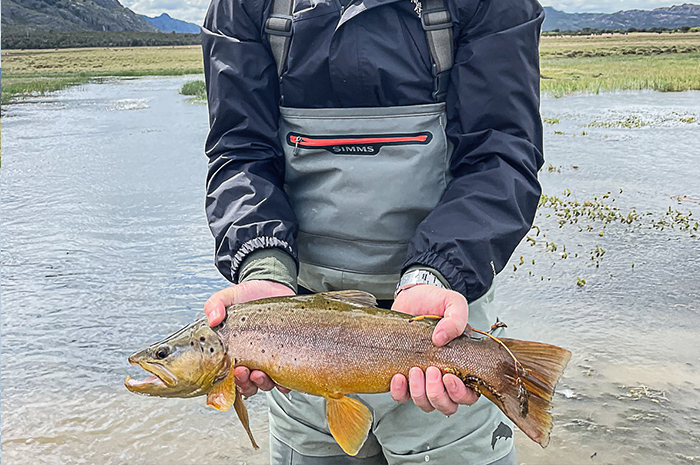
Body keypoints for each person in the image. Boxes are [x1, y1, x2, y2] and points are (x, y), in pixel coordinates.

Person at [200, 0, 544, 461]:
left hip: (442, 317)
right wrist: (263, 265)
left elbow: (500, 154)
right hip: (297, 331)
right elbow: (240, 153)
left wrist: (435, 274)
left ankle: (513, 376)